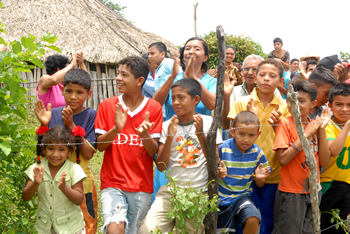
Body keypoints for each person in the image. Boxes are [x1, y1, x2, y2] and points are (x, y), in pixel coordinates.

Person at [139, 78, 223, 233]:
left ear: (196, 99)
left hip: (198, 193)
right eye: (173, 98)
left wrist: (200, 135)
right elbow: (161, 166)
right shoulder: (167, 126)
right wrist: (170, 137)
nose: (175, 102)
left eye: (181, 97)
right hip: (171, 191)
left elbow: (215, 161)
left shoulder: (208, 122)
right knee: (147, 229)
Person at [95, 56, 163, 234]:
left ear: (140, 80)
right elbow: (100, 146)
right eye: (118, 73)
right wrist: (116, 128)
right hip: (112, 183)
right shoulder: (108, 105)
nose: (118, 78)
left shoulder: (154, 108)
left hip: (141, 185)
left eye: (124, 75)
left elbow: (152, 152)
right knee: (114, 229)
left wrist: (145, 136)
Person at [226, 58, 290, 234]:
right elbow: (232, 134)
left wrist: (278, 126)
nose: (266, 79)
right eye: (262, 74)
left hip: (273, 171)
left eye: (272, 75)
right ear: (255, 76)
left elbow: (287, 139)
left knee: (268, 218)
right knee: (244, 217)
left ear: (280, 81)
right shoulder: (242, 103)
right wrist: (249, 116)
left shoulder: (284, 106)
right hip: (243, 172)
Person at [34, 69, 98, 234]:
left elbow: (88, 154)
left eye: (79, 92)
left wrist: (71, 126)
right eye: (69, 91)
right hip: (52, 186)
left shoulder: (91, 115)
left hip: (82, 184)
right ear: (62, 90)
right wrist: (44, 126)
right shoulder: (54, 113)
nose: (73, 96)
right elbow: (42, 153)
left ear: (88, 94)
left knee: (87, 226)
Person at [272, 80, 331, 234]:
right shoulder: (284, 123)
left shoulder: (315, 126)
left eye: (301, 101)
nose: (296, 105)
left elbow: (324, 161)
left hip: (313, 190)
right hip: (291, 192)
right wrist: (306, 134)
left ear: (313, 104)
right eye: (292, 101)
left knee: (310, 231)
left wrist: (321, 130)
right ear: (287, 102)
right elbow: (283, 160)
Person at [22, 126, 86, 234]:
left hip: (71, 228)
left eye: (61, 149)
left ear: (69, 152)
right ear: (44, 149)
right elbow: (25, 197)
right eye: (51, 148)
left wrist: (65, 188)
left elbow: (79, 199)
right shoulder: (36, 168)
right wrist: (35, 183)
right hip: (44, 228)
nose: (55, 154)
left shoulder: (75, 169)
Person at [217, 111, 271, 234]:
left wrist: (259, 178)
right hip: (220, 199)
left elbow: (261, 184)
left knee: (253, 218)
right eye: (241, 134)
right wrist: (218, 172)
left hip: (242, 198)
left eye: (251, 135)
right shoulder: (222, 149)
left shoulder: (257, 152)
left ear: (258, 134)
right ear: (232, 131)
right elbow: (209, 173)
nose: (246, 139)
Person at [153, 37, 216, 121]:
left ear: (205, 57)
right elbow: (155, 103)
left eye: (197, 49)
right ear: (183, 57)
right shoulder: (171, 78)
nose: (191, 51)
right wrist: (172, 76)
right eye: (188, 49)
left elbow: (211, 105)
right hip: (173, 131)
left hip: (200, 132)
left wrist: (193, 77)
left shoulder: (212, 82)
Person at [221, 55, 282, 137]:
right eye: (246, 69)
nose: (249, 72)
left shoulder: (273, 91)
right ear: (242, 71)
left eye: (254, 69)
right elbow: (226, 126)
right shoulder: (233, 91)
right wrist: (226, 97)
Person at [320, 83, 350, 234]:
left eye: (349, 105)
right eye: (339, 104)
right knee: (326, 226)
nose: (345, 109)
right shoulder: (328, 125)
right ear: (330, 106)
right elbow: (334, 151)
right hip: (329, 186)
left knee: (344, 227)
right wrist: (348, 125)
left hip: (348, 185)